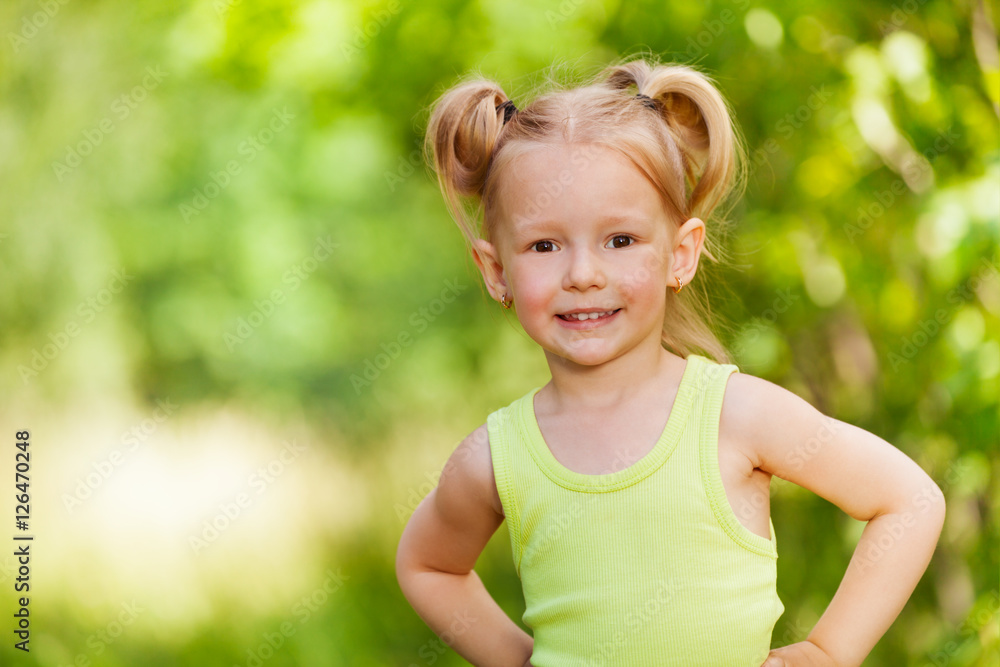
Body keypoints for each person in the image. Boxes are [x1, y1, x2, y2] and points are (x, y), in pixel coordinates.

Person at [395, 57, 945, 666]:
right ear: (496, 270)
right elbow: (428, 565)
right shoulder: (496, 458)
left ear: (681, 254)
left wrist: (825, 651)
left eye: (620, 240)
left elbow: (908, 500)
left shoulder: (736, 416)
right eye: (544, 245)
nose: (583, 274)